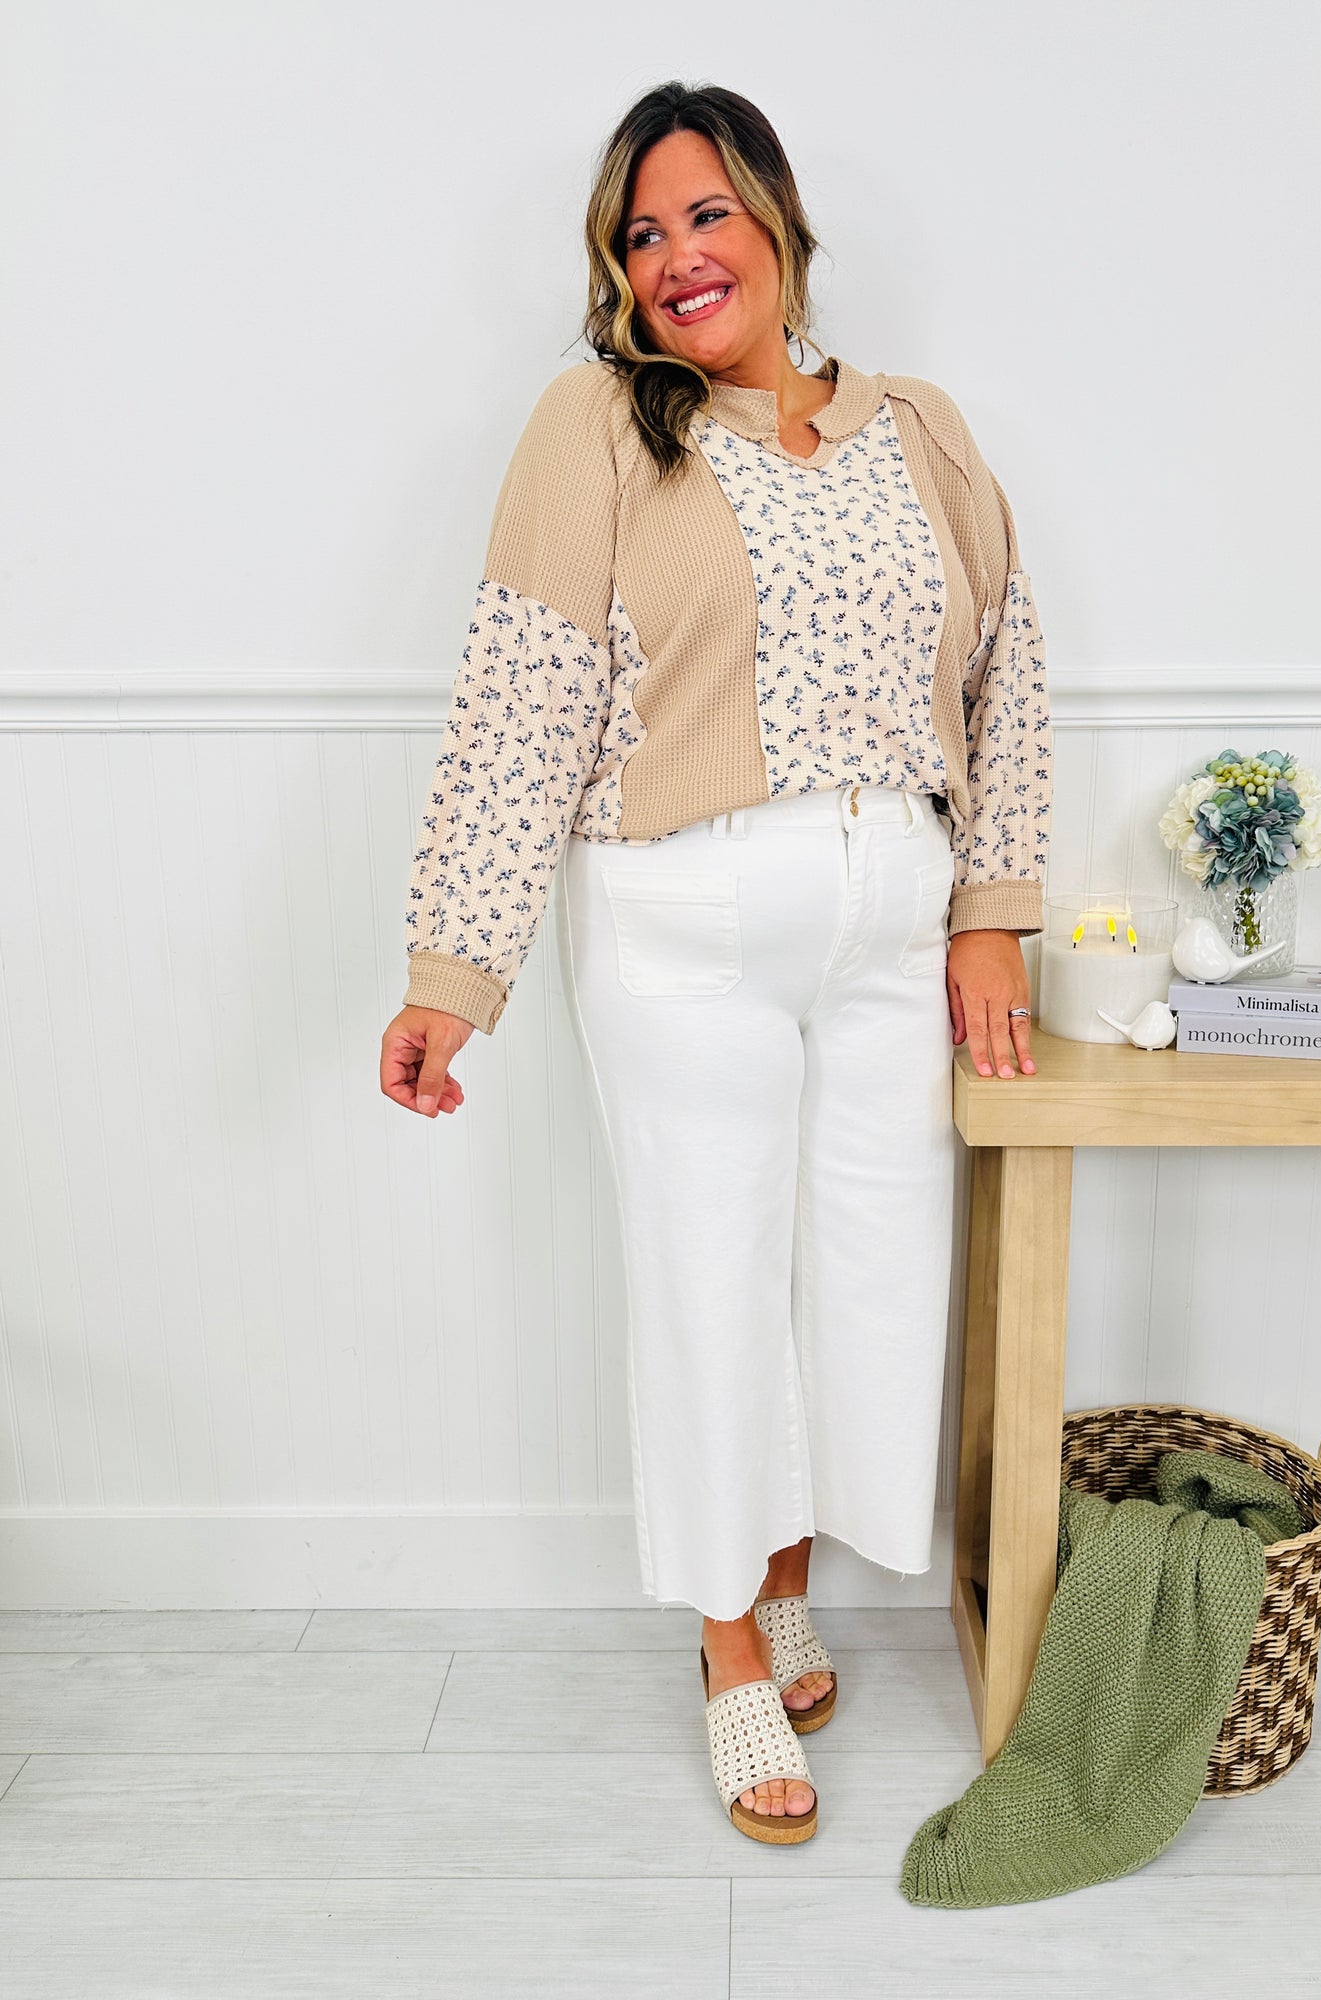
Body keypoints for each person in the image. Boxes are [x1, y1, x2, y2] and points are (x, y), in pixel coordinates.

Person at [379, 81, 1052, 1846]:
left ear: (778, 219)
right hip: (687, 927)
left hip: (895, 927)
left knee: (864, 1281)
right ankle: (731, 1639)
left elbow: (1011, 675)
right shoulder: (599, 428)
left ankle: (788, 1567)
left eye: (704, 215)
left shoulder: (924, 431)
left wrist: (992, 911)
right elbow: (521, 698)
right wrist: (456, 971)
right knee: (709, 1282)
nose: (676, 256)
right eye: (640, 233)